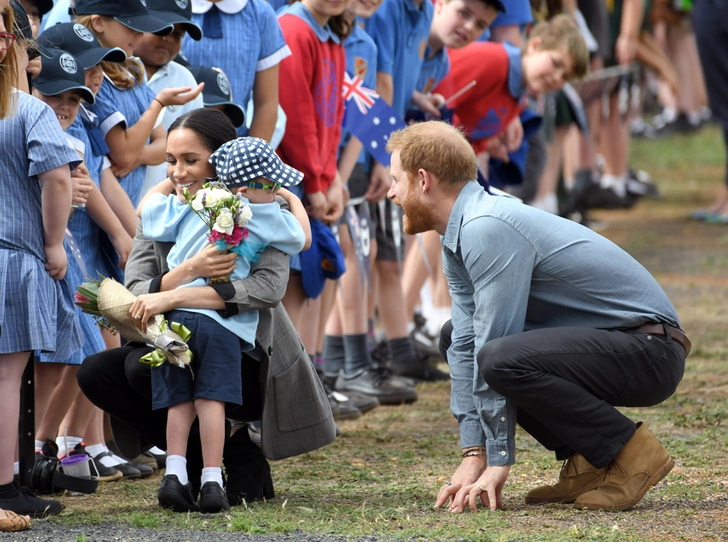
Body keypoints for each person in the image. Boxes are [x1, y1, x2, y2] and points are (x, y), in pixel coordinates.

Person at [385, 121, 689, 513]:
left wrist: (498, 461)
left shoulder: (486, 227)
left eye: (396, 180)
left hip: (651, 350)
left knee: (498, 357)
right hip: (624, 343)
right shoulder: (458, 232)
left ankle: (632, 454)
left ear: (423, 180)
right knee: (454, 337)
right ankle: (588, 460)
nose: (391, 192)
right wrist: (473, 452)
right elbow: (464, 341)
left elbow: (493, 342)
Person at [77, 109, 335, 510]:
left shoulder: (257, 208)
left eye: (190, 160)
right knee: (105, 372)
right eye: (171, 160)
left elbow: (267, 287)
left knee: (180, 368)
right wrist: (187, 272)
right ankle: (195, 465)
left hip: (246, 352)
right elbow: (135, 289)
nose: (178, 172)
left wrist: (176, 297)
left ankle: (236, 453)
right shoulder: (169, 209)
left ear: (221, 162)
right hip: (171, 333)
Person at [136, 113, 307, 513]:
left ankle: (174, 474)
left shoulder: (197, 202)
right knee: (212, 401)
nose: (275, 191)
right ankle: (212, 479)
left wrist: (170, 184)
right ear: (250, 187)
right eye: (271, 184)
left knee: (178, 401)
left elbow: (146, 212)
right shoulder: (265, 216)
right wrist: (291, 200)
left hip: (175, 318)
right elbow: (302, 237)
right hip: (222, 324)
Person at [0, 2, 80, 518]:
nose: (3, 38)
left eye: (4, 29)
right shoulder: (24, 110)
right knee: (7, 377)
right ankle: (4, 486)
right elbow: (57, 176)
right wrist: (55, 243)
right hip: (13, 258)